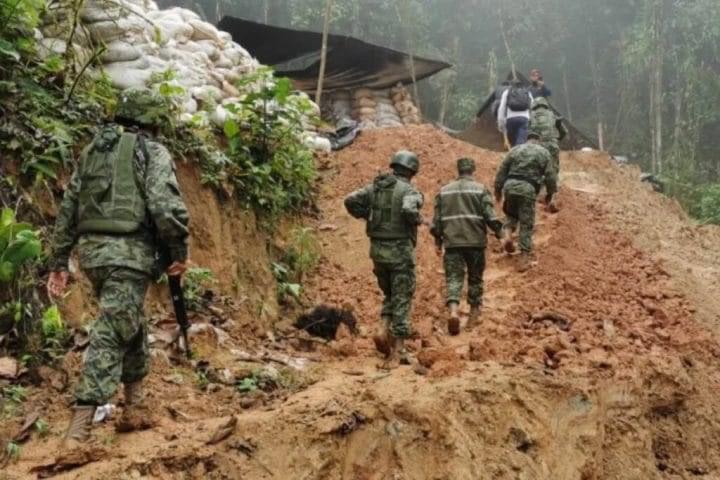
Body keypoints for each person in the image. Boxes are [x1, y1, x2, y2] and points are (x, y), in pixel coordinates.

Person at [47, 88, 190, 449]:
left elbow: (69, 207)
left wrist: (59, 260)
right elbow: (163, 204)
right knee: (112, 330)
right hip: (129, 255)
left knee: (128, 321)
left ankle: (135, 405)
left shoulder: (94, 151)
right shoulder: (151, 151)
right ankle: (78, 431)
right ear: (152, 122)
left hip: (93, 255)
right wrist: (177, 250)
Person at [344, 151, 424, 365]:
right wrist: (416, 219)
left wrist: (365, 215)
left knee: (390, 294)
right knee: (402, 297)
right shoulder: (409, 190)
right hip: (400, 252)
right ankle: (398, 351)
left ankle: (381, 330)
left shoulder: (374, 188)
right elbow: (409, 209)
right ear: (412, 170)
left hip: (377, 251)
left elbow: (350, 200)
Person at [430, 158, 503, 335]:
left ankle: (454, 310)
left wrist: (438, 242)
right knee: (475, 278)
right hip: (475, 243)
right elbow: (490, 216)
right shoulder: (480, 189)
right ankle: (473, 314)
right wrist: (501, 234)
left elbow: (437, 223)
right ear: (473, 170)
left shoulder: (444, 191)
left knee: (454, 278)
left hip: (452, 243)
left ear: (458, 170)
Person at [494, 132, 557, 272]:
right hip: (528, 189)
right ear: (538, 141)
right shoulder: (544, 152)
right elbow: (550, 176)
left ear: (527, 140)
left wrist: (498, 191)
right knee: (526, 223)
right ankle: (524, 257)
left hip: (510, 186)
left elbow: (501, 171)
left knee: (511, 215)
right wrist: (550, 194)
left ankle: (508, 236)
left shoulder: (515, 150)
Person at [529, 97, 567, 211]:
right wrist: (556, 139)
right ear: (545, 105)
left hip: (538, 145)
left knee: (537, 169)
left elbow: (528, 132)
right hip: (552, 145)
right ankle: (551, 197)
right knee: (553, 170)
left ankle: (537, 196)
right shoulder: (552, 115)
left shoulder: (532, 115)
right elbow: (564, 132)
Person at [497, 80, 534, 147]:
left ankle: (512, 151)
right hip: (524, 119)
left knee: (512, 139)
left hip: (510, 120)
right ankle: (518, 151)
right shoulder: (528, 92)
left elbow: (501, 108)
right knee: (520, 142)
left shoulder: (507, 92)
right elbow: (533, 108)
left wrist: (500, 123)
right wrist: (532, 121)